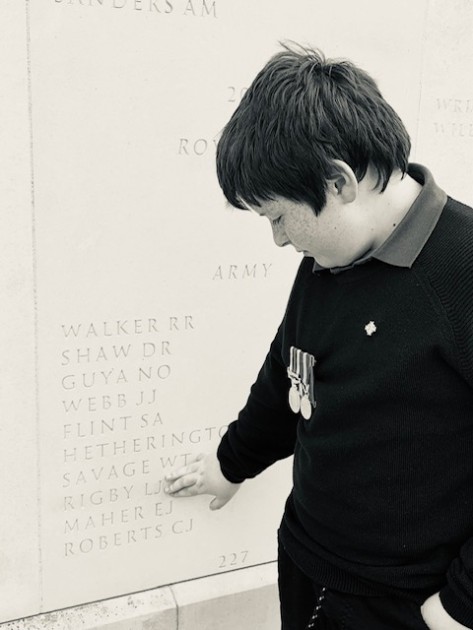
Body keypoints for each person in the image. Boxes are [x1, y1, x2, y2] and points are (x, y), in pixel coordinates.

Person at [163, 44, 473, 630]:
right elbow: (290, 366)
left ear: (338, 182)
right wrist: (231, 463)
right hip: (307, 564)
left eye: (277, 216)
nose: (278, 240)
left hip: (407, 604)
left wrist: (460, 605)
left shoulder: (464, 271)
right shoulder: (325, 261)